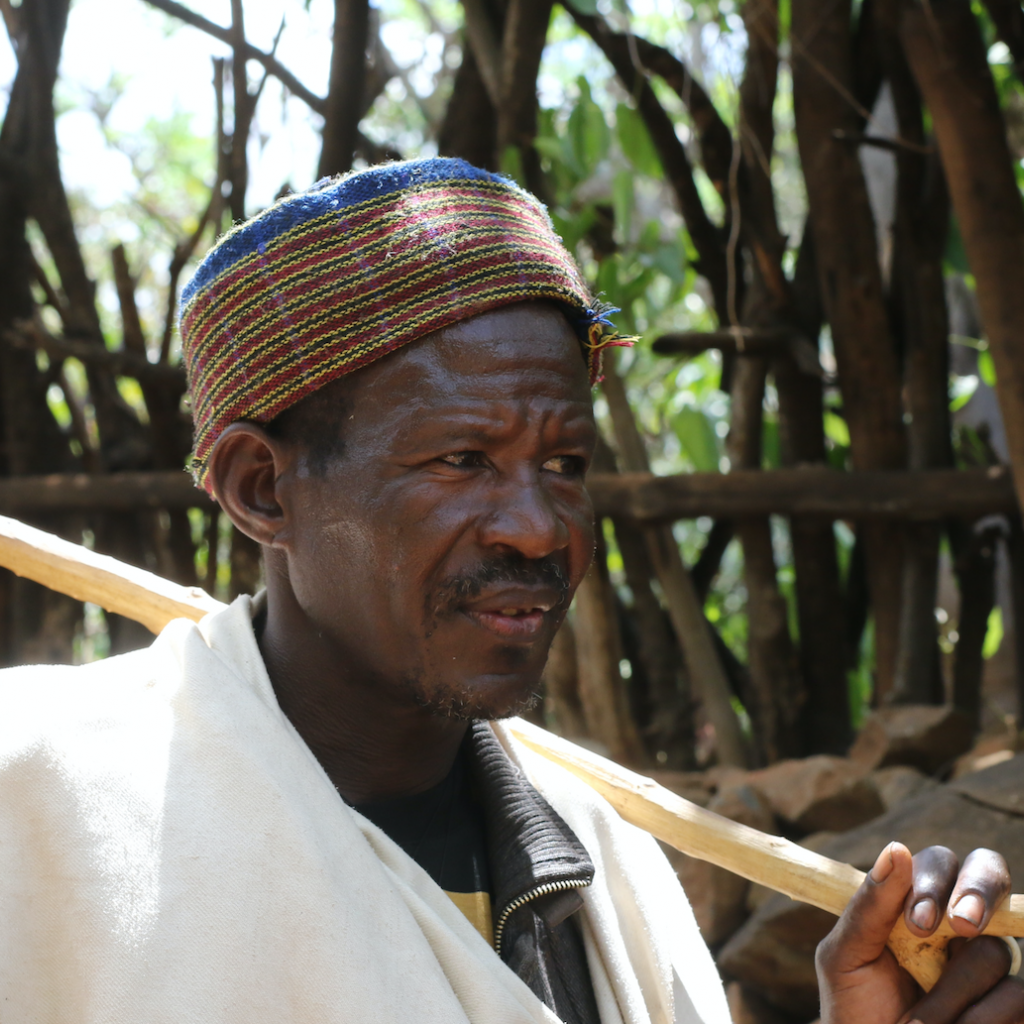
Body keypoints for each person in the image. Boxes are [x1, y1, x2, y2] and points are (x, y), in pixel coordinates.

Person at [0, 157, 1020, 1024]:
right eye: (458, 459)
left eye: (565, 463)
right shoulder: (43, 802)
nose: (539, 528)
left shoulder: (605, 866)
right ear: (264, 490)